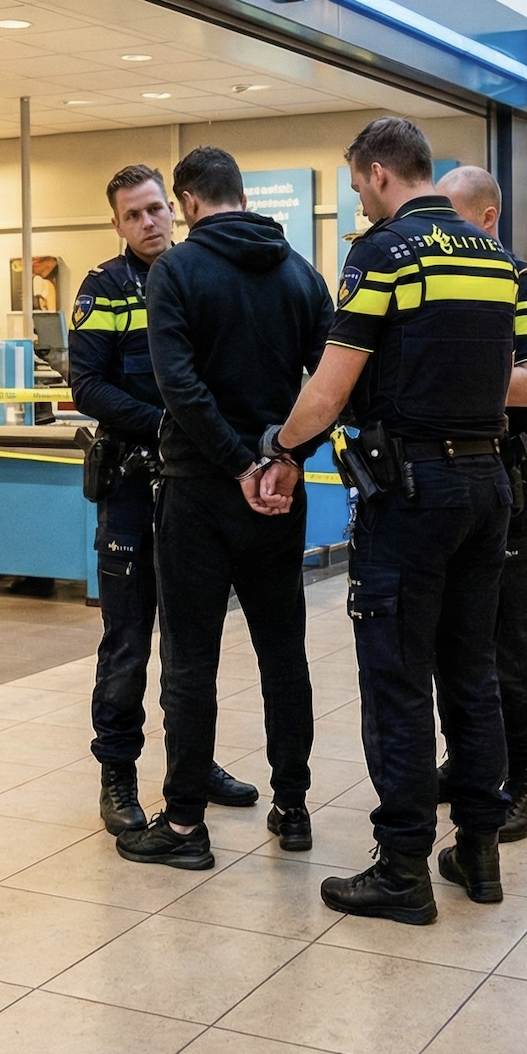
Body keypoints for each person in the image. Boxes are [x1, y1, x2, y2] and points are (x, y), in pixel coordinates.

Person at [256, 117, 527, 924]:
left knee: (396, 676)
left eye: (359, 187)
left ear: (383, 173)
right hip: (488, 484)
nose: (361, 202)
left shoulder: (384, 252)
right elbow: (519, 379)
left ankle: (401, 869)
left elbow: (330, 386)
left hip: (411, 490)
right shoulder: (498, 259)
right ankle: (479, 852)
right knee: (471, 673)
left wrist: (280, 449)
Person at [114, 146, 332, 870]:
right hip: (277, 496)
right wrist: (285, 460)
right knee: (282, 651)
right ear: (242, 194)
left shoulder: (177, 271)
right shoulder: (301, 273)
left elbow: (177, 385)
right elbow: (331, 384)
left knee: (192, 660)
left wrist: (237, 463)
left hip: (199, 493)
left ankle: (182, 827)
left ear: (188, 203)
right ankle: (293, 807)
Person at [68, 163, 260, 833]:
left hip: (192, 491)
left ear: (175, 210)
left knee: (190, 642)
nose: (148, 223)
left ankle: (192, 765)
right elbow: (86, 385)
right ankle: (117, 776)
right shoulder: (104, 288)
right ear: (117, 222)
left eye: (156, 209)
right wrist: (163, 424)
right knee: (126, 643)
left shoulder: (200, 274)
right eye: (133, 214)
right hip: (129, 487)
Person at [437, 163, 527, 842]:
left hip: (511, 483)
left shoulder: (525, 284)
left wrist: (445, 381)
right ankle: (465, 762)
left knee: (505, 638)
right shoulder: (443, 281)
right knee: (452, 637)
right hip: (452, 482)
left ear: (487, 219)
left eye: (454, 217)